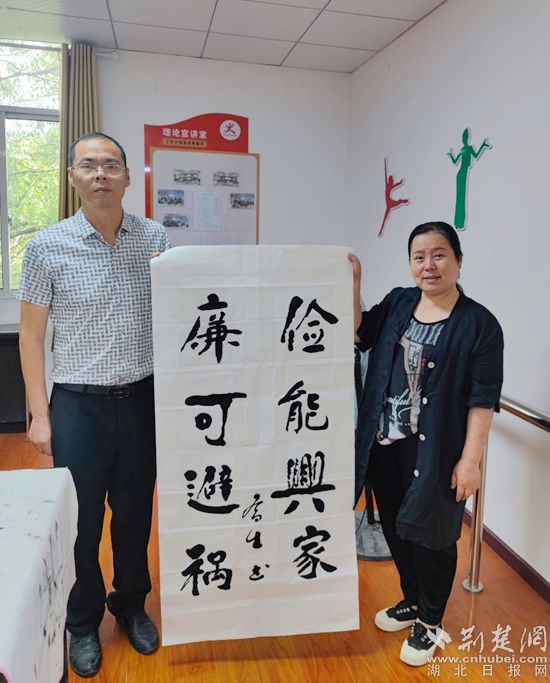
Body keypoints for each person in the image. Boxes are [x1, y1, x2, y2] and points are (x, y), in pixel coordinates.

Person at [18, 132, 170, 678]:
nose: (100, 174)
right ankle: (81, 622)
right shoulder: (47, 246)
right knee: (80, 523)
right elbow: (31, 335)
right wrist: (40, 414)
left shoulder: (156, 239)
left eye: (111, 165)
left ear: (129, 177)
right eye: (88, 165)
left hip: (143, 402)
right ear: (72, 178)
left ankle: (130, 605)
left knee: (134, 515)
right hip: (78, 406)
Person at [348, 222, 503, 666]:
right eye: (419, 257)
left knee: (433, 536)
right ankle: (412, 600)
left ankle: (430, 621)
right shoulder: (399, 302)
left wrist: (470, 460)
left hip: (438, 452)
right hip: (384, 444)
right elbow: (360, 333)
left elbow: (482, 400)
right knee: (397, 528)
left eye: (439, 255)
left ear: (458, 260)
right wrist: (355, 283)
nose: (428, 265)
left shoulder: (479, 324)